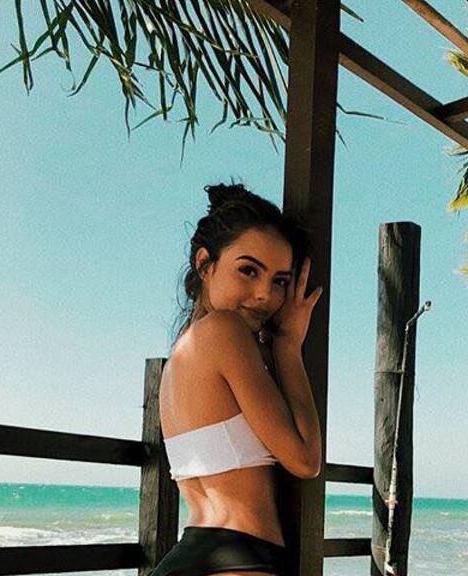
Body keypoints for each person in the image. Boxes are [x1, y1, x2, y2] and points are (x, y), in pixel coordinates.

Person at [150, 183, 324, 576]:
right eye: (248, 270)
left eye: (280, 281)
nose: (264, 294)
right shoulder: (224, 330)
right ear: (204, 264)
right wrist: (288, 347)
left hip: (194, 552)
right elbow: (304, 459)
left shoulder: (183, 354)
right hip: (238, 558)